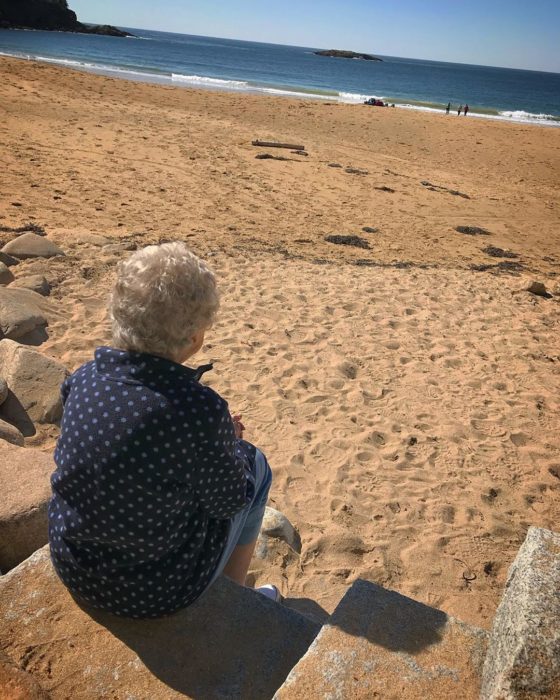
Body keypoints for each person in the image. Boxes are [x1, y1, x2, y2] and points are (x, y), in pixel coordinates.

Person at [48, 242, 277, 619]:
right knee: (256, 466)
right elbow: (229, 501)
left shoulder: (84, 379)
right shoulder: (199, 411)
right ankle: (235, 602)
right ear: (194, 340)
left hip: (75, 566)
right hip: (156, 592)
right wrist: (230, 445)